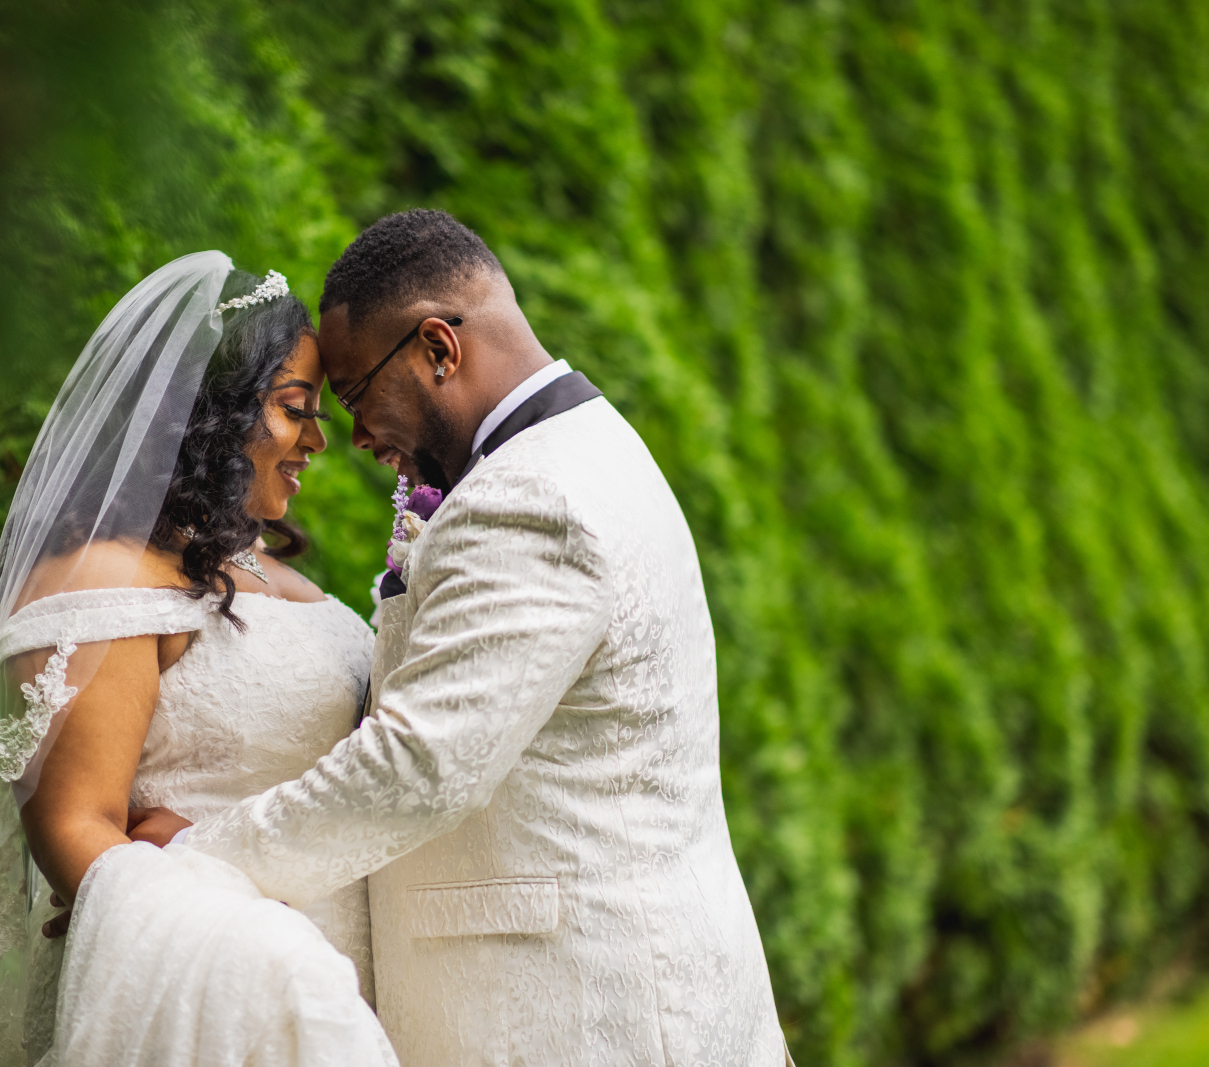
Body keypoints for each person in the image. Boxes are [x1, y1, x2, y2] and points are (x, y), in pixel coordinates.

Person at [170, 210, 793, 1066]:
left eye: (355, 396)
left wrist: (179, 865)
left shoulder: (530, 500)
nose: (354, 437)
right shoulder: (582, 451)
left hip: (580, 1018)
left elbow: (418, 765)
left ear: (438, 347)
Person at [0, 252, 396, 1067]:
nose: (319, 440)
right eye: (295, 408)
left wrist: (194, 848)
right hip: (216, 1002)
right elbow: (76, 826)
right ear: (208, 413)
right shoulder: (104, 581)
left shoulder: (285, 581)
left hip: (350, 986)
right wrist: (222, 911)